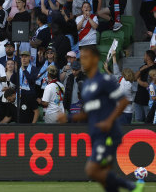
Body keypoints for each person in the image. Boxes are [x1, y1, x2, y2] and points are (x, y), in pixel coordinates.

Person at [58, 46, 144, 192]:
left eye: (86, 57)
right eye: (82, 58)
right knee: (105, 177)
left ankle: (131, 186)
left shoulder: (105, 80)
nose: (83, 61)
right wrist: (69, 117)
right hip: (96, 134)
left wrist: (109, 121)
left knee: (92, 170)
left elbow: (123, 102)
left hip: (108, 134)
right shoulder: (85, 85)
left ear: (96, 59)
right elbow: (89, 112)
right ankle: (130, 187)